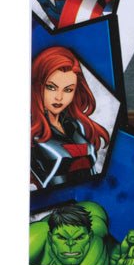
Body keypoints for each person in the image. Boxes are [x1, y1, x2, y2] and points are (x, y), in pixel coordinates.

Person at [30, 46, 109, 189]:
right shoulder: (32, 132)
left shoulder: (76, 125)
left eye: (68, 90)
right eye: (51, 87)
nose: (59, 97)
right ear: (37, 86)